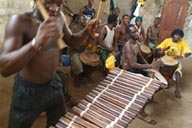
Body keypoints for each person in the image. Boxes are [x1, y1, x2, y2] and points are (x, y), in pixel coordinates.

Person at [0, 0, 96, 127]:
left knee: (59, 123)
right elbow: (5, 69)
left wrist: (86, 31)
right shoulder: (20, 22)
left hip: (53, 83)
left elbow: (71, 40)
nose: (55, 9)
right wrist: (36, 42)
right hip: (27, 91)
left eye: (59, 4)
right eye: (49, 2)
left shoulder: (59, 17)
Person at [121, 24, 162, 125]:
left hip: (135, 70)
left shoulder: (135, 43)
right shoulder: (128, 46)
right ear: (129, 34)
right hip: (129, 72)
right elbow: (132, 64)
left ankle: (145, 102)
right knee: (147, 89)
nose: (137, 33)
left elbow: (140, 57)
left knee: (157, 83)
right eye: (133, 32)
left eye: (136, 31)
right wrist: (150, 67)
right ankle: (140, 112)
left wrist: (149, 66)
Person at [156, 29, 191, 98]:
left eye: (179, 36)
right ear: (173, 35)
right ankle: (161, 82)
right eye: (176, 35)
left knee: (178, 73)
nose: (177, 37)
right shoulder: (167, 40)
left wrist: (181, 56)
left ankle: (177, 90)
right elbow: (159, 48)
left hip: (176, 61)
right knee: (157, 66)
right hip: (165, 59)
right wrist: (162, 50)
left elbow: (189, 52)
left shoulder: (182, 43)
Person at [69, 14, 88, 85]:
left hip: (82, 51)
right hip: (74, 51)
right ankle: (76, 81)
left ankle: (80, 76)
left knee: (89, 64)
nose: (85, 21)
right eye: (83, 19)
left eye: (85, 20)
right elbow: (71, 40)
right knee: (78, 66)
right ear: (79, 21)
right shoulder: (74, 28)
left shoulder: (85, 29)